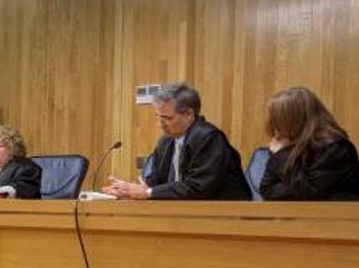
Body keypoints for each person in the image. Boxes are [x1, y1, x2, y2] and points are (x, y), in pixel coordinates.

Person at [104, 82, 251, 200]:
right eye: (158, 117)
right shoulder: (166, 141)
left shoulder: (208, 138)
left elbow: (197, 188)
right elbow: (155, 181)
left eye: (167, 118)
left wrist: (148, 192)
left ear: (189, 114)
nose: (161, 124)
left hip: (227, 217)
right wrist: (129, 190)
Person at [259, 87, 359, 201]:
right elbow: (267, 189)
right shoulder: (288, 145)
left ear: (293, 120)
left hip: (346, 216)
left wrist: (279, 154)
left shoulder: (335, 148)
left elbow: (309, 192)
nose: (274, 126)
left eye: (277, 120)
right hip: (303, 215)